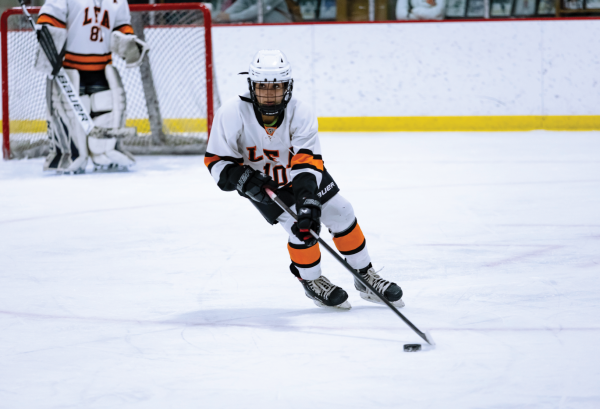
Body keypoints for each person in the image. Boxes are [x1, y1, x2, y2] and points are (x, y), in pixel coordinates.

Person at [204, 50, 405, 309]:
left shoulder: (301, 111)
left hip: (303, 177)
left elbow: (307, 161)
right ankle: (312, 281)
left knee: (342, 211)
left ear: (288, 86)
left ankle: (365, 276)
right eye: (262, 87)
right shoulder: (231, 112)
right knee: (300, 228)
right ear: (251, 86)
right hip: (264, 185)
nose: (269, 93)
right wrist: (242, 179)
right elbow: (216, 161)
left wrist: (308, 200)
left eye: (276, 86)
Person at [35, 0, 148, 173]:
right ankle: (69, 155)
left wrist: (127, 43)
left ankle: (104, 152)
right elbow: (49, 19)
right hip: (70, 69)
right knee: (68, 116)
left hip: (102, 69)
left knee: (108, 110)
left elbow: (121, 26)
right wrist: (47, 34)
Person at [214, 0, 292, 23]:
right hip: (261, 30)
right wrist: (218, 18)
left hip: (282, 30)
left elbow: (257, 10)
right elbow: (236, 7)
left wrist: (230, 17)